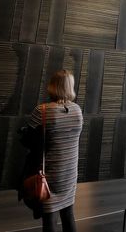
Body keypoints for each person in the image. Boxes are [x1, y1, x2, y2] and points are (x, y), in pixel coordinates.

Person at [21, 69, 83, 232]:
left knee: (50, 220)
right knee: (69, 214)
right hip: (70, 173)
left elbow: (28, 141)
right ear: (70, 87)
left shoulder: (42, 111)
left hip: (51, 175)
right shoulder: (77, 110)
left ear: (53, 86)